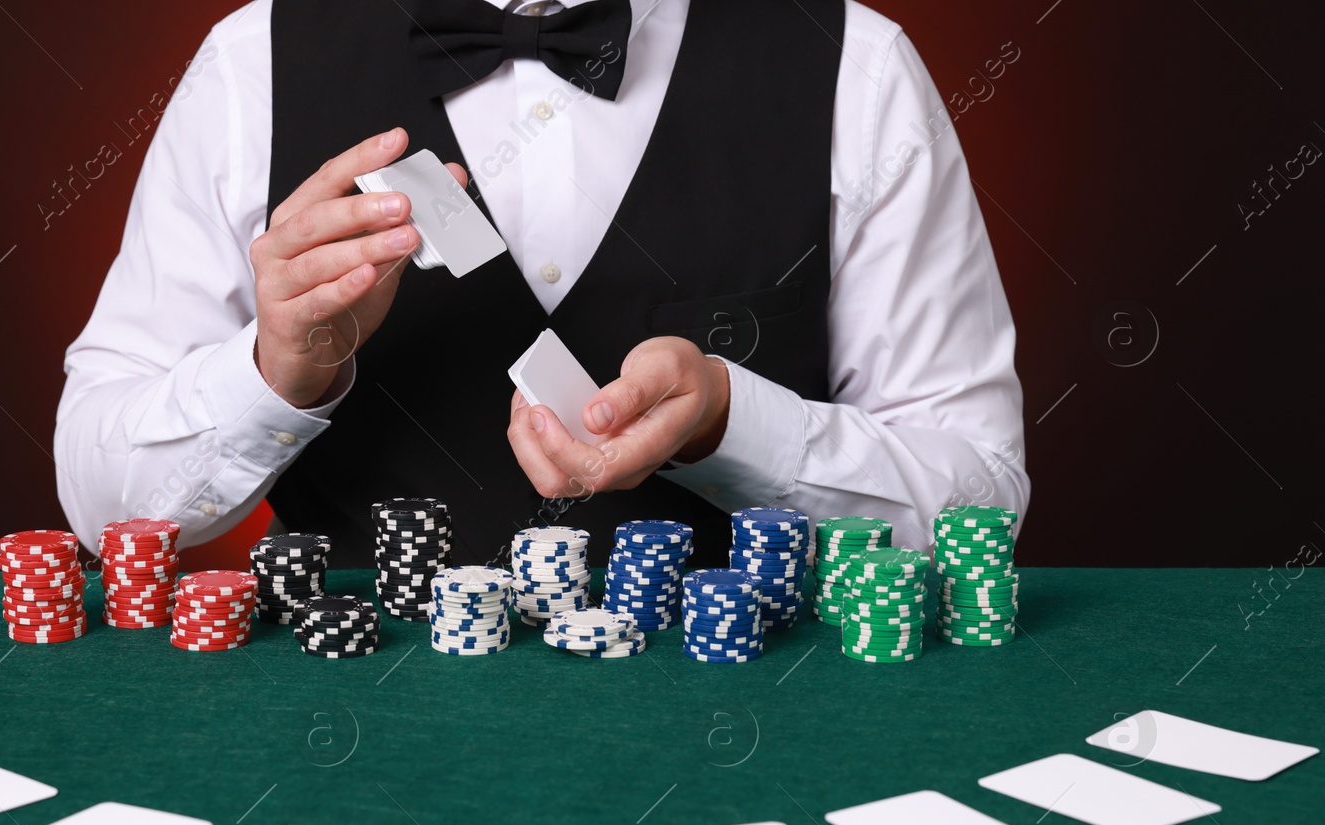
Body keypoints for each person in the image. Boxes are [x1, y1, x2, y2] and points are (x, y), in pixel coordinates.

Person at [55, 0, 1027, 566]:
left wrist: (732, 422)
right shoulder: (249, 63)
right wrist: (276, 370)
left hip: (754, 735)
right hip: (351, 748)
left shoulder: (854, 66)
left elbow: (980, 509)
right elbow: (105, 508)